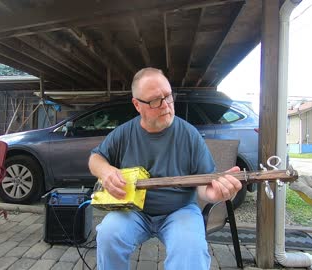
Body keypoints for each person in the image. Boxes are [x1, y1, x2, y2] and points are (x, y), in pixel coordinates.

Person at [88, 67, 242, 270]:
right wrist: (106, 171)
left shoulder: (189, 135)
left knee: (190, 249)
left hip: (180, 211)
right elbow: (95, 158)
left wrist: (213, 193)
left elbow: (205, 185)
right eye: (154, 101)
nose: (166, 106)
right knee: (108, 234)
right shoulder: (124, 133)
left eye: (168, 96)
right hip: (134, 211)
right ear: (137, 105)